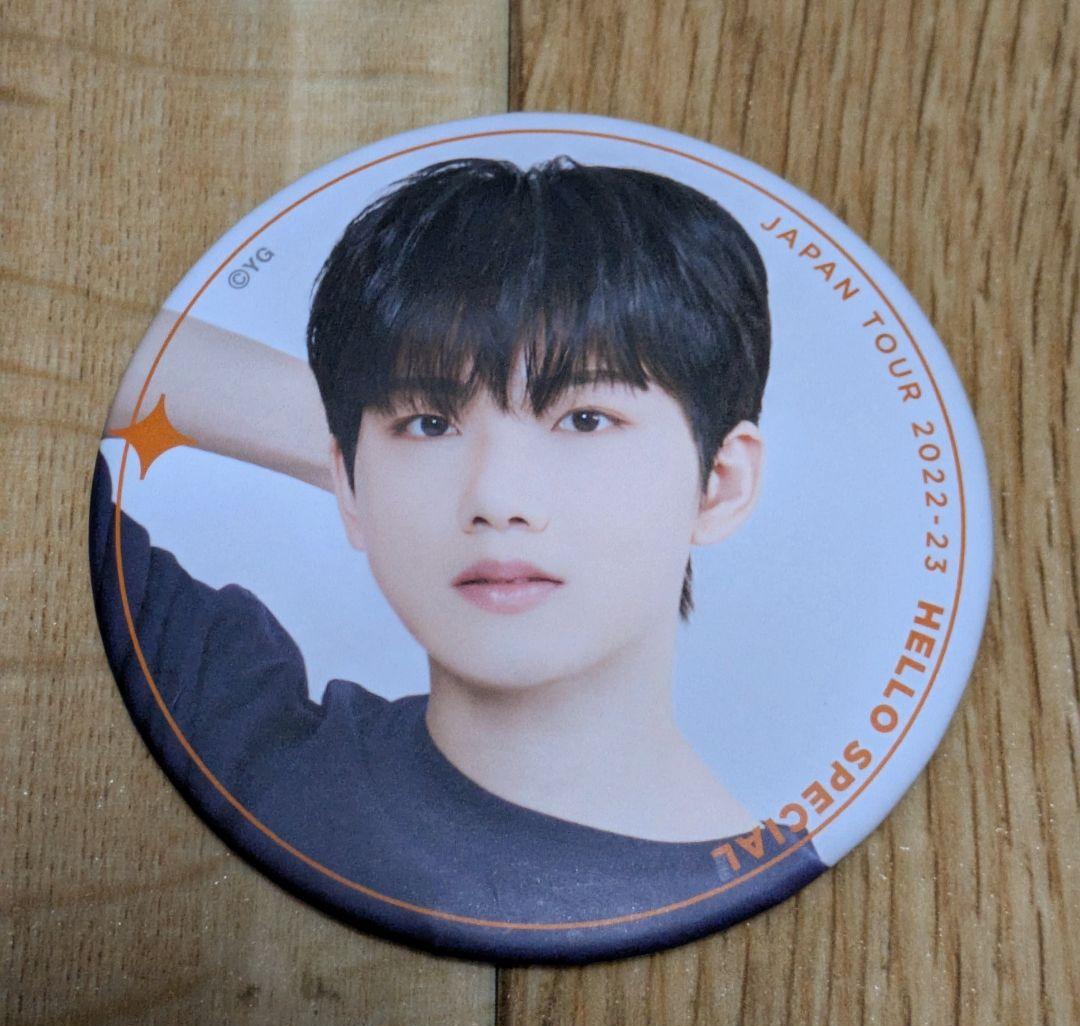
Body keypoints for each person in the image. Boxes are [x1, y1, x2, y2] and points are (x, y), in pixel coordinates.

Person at [91, 157, 826, 963]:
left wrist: (401, 436)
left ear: (720, 483)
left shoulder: (800, 923)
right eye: (430, 422)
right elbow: (61, 345)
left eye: (584, 418)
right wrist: (361, 453)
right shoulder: (244, 745)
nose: (498, 497)